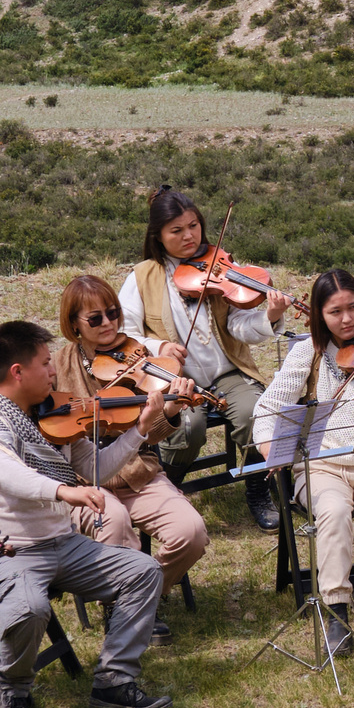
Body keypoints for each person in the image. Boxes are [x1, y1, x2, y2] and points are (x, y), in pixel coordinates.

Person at [0, 320, 181, 708]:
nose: (53, 371)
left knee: (143, 571)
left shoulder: (53, 409)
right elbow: (9, 477)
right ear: (17, 372)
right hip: (7, 551)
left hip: (61, 543)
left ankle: (114, 681)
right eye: (46, 364)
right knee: (30, 608)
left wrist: (139, 430)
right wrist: (65, 493)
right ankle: (14, 689)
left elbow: (95, 467)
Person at [255, 269, 354, 657]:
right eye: (335, 312)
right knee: (332, 513)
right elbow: (267, 407)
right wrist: (268, 448)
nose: (347, 319)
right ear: (318, 315)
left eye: (353, 308)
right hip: (320, 467)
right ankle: (337, 611)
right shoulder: (306, 352)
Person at [119, 187, 282, 530]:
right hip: (174, 378)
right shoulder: (142, 276)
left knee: (255, 413)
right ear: (159, 236)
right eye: (176, 230)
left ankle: (257, 486)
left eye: (193, 225)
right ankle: (167, 485)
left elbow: (239, 325)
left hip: (227, 370)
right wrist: (157, 346)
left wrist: (268, 318)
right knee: (188, 428)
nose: (189, 235)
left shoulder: (221, 264)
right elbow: (125, 334)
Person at [51, 276, 213, 613]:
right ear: (73, 324)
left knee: (191, 532)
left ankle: (141, 596)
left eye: (112, 313)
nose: (108, 324)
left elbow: (148, 436)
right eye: (95, 319)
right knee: (115, 524)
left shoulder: (139, 361)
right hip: (85, 480)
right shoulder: (56, 367)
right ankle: (126, 612)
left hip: (136, 472)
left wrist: (168, 409)